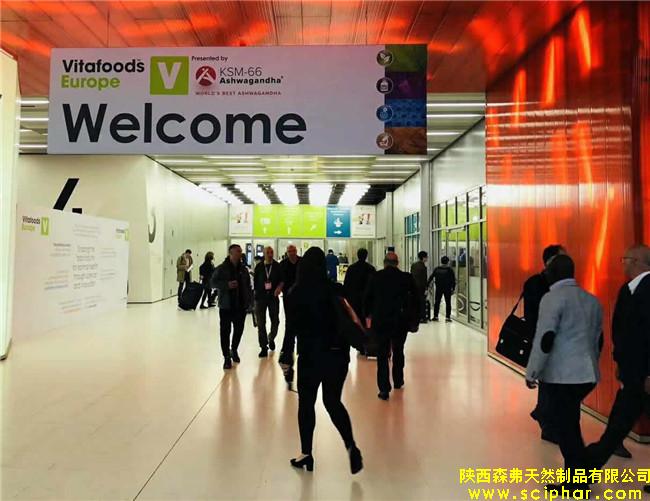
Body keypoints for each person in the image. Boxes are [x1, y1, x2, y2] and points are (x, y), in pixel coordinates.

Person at [525, 255, 603, 496]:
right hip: (587, 374)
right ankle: (580, 476)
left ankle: (577, 482)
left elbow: (545, 338)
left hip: (562, 375)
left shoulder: (552, 298)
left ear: (553, 273)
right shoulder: (591, 300)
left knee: (566, 429)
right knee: (569, 423)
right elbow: (598, 339)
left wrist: (532, 371)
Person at [286, 247, 363, 474]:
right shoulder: (335, 290)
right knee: (332, 402)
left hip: (310, 356)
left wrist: (287, 357)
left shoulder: (296, 293)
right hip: (337, 355)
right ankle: (350, 445)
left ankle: (306, 453)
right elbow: (349, 319)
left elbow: (291, 329)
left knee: (306, 404)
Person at [585, 245, 650, 471]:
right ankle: (579, 479)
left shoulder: (646, 291)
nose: (622, 263)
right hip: (633, 375)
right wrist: (620, 361)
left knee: (614, 431)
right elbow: (622, 331)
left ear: (636, 262)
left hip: (643, 376)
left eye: (625, 259)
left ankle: (578, 479)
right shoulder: (628, 290)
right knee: (614, 430)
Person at [524, 244, 566, 445]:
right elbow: (533, 316)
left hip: (560, 341)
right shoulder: (536, 283)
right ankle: (547, 423)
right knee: (550, 382)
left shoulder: (562, 284)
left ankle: (544, 414)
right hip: (545, 340)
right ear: (550, 261)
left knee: (552, 382)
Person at [365, 252, 418, 400]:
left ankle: (384, 388)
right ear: (397, 263)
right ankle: (398, 380)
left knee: (382, 354)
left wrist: (368, 315)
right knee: (398, 350)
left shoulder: (376, 277)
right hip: (400, 321)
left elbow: (367, 298)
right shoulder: (406, 278)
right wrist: (414, 320)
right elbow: (416, 299)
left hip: (381, 321)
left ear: (384, 263)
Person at [213, 245, 252, 370]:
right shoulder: (221, 268)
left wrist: (249, 302)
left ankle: (234, 349)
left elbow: (248, 286)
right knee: (225, 332)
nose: (240, 253)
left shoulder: (244, 269)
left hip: (240, 306)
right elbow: (212, 282)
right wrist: (226, 285)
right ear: (231, 253)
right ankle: (226, 357)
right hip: (226, 306)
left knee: (239, 330)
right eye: (238, 251)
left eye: (240, 251)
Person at [254, 246, 283, 357]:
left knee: (275, 321)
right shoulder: (259, 267)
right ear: (264, 254)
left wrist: (279, 288)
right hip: (260, 298)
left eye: (271, 252)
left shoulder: (277, 266)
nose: (270, 255)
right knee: (261, 323)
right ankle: (263, 347)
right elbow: (255, 283)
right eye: (268, 253)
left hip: (273, 297)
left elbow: (282, 280)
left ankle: (271, 338)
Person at [279, 245, 301, 383]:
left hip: (301, 297)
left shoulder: (302, 262)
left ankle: (294, 348)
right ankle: (288, 350)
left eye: (293, 251)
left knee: (299, 321)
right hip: (288, 297)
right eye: (289, 251)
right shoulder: (283, 264)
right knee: (289, 322)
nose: (291, 253)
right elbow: (281, 280)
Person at [343, 248, 376, 323]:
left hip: (354, 298)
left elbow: (346, 283)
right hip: (367, 298)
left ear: (357, 255)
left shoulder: (351, 268)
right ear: (366, 256)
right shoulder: (370, 268)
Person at [427, 256, 456, 322]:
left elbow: (431, 277)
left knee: (437, 302)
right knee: (448, 303)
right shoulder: (449, 270)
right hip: (447, 288)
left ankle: (435, 316)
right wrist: (453, 288)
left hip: (439, 288)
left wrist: (427, 285)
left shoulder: (437, 269)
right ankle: (447, 317)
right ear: (448, 262)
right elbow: (453, 280)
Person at [410, 251, 429, 323]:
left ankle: (415, 317)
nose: (427, 258)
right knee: (422, 302)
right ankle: (423, 317)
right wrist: (426, 288)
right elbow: (424, 279)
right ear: (423, 258)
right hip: (421, 287)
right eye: (426, 257)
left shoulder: (413, 265)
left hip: (414, 286)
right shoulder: (423, 267)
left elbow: (411, 275)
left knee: (415, 302)